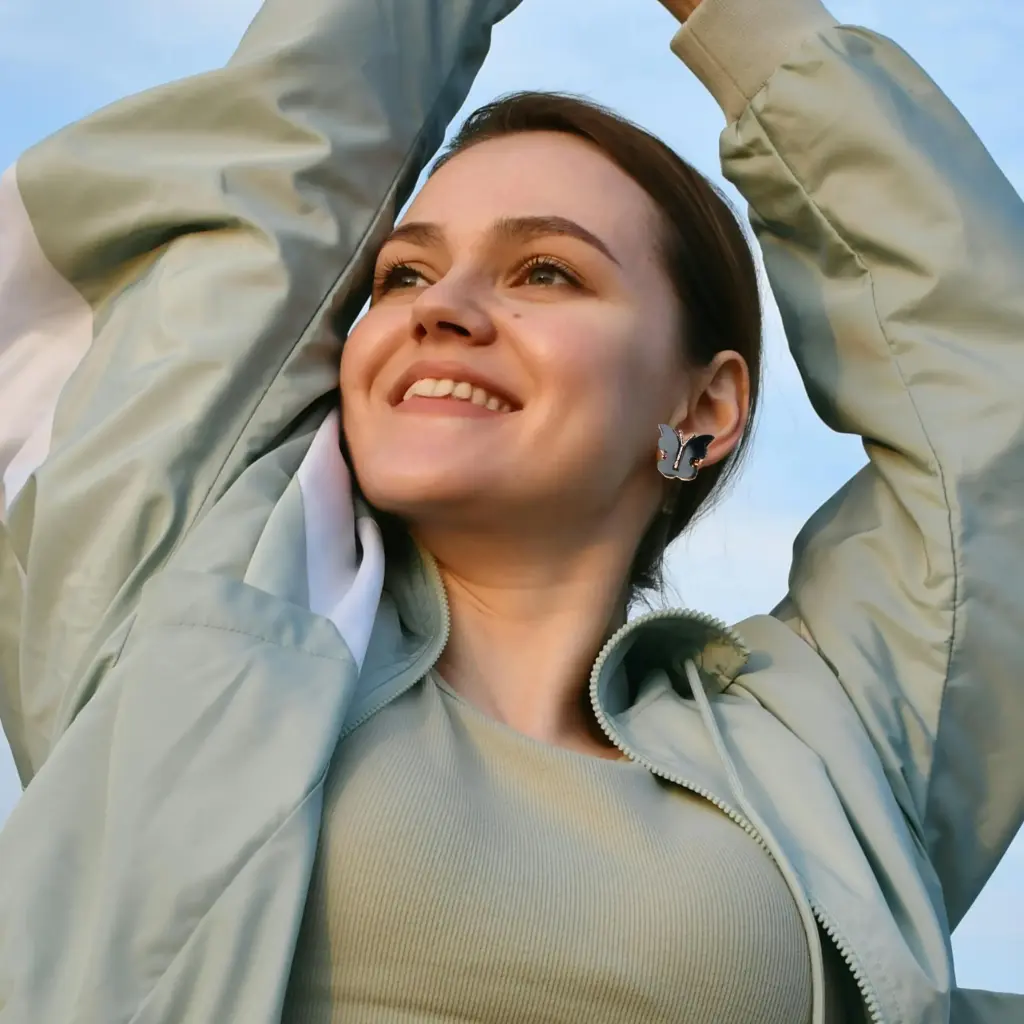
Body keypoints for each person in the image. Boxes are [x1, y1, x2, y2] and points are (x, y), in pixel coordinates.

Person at [0, 0, 1022, 1020]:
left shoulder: (825, 750)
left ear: (702, 410)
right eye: (401, 273)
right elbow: (282, 182)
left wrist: (743, 17)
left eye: (546, 270)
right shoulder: (192, 608)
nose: (441, 307)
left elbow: (991, 414)